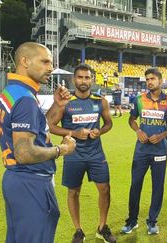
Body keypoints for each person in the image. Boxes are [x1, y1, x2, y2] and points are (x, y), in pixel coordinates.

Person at [0, 42, 76, 243]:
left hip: (18, 180)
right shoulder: (25, 99)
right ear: (25, 61)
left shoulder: (14, 91)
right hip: (31, 181)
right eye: (45, 61)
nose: (50, 68)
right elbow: (24, 153)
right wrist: (61, 149)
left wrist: (58, 106)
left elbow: (39, 129)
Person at [46, 64, 116, 243]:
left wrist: (100, 131)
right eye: (80, 77)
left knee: (105, 189)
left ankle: (102, 227)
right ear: (74, 79)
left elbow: (108, 123)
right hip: (74, 154)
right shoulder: (67, 102)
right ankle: (78, 230)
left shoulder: (100, 101)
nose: (84, 81)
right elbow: (52, 126)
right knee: (73, 192)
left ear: (92, 80)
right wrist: (74, 133)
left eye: (87, 78)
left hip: (96, 154)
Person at [121, 67, 167, 235]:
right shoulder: (139, 100)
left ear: (160, 81)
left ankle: (152, 221)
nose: (149, 82)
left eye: (152, 79)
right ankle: (132, 221)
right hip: (142, 151)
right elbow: (132, 119)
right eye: (147, 79)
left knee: (157, 187)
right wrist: (138, 131)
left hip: (160, 151)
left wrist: (162, 135)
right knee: (135, 185)